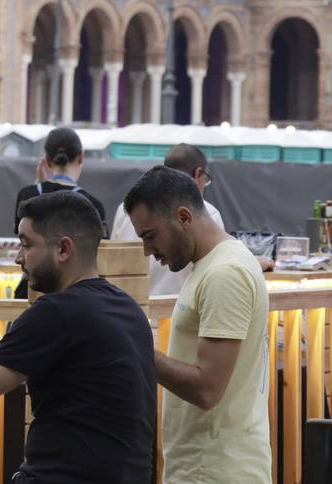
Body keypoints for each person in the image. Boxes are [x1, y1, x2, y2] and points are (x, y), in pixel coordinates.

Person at [0, 192, 156, 484]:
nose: (18, 258)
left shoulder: (56, 312)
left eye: (26, 244)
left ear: (63, 249)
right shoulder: (128, 307)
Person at [124, 166, 271, 483]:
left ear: (184, 217)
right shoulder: (212, 267)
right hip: (207, 466)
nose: (147, 251)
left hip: (218, 470)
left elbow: (208, 389)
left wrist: (138, 349)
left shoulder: (225, 274)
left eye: (150, 236)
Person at [110, 144, 271, 296]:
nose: (147, 252)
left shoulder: (124, 210)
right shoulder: (209, 213)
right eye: (146, 236)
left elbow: (221, 268)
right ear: (198, 174)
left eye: (151, 236)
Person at [12, 127, 106, 298]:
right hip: (79, 294)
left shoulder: (28, 195)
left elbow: (23, 237)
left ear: (47, 160)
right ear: (81, 156)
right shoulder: (92, 204)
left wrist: (37, 185)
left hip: (30, 290)